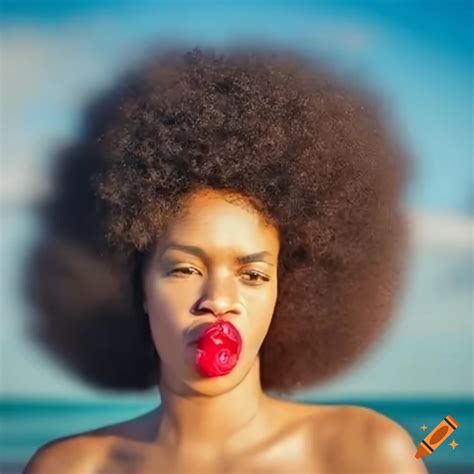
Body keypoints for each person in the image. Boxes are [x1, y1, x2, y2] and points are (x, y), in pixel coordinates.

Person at [24, 46, 427, 473]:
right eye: (185, 268)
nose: (218, 299)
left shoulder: (366, 455)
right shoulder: (68, 467)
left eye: (252, 274)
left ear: (285, 293)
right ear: (136, 285)